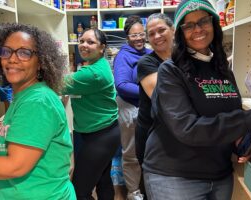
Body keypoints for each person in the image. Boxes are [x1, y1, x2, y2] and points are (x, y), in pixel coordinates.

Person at [142, 0, 251, 199]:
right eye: (188, 25)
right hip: (176, 177)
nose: (197, 29)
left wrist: (240, 142)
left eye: (203, 21)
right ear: (180, 32)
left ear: (214, 23)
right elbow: (188, 129)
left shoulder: (222, 69)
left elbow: (230, 113)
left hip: (220, 175)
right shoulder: (170, 71)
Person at [0, 23, 76, 199]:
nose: (12, 59)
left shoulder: (38, 102)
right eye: (6, 51)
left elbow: (15, 166)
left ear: (40, 62)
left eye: (24, 53)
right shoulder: (23, 97)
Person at [63, 28, 121, 200]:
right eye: (81, 41)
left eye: (90, 42)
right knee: (103, 180)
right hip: (98, 131)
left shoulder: (93, 73)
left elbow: (56, 83)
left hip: (99, 135)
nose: (84, 45)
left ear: (102, 47)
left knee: (79, 192)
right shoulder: (93, 65)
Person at [113, 15, 152, 200]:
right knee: (130, 153)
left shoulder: (148, 52)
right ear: (127, 37)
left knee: (148, 150)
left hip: (146, 109)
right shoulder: (124, 56)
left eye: (141, 34)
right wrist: (150, 91)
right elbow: (121, 85)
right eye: (134, 35)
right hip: (129, 109)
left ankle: (147, 187)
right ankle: (133, 192)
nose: (138, 38)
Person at [135, 13, 174, 165]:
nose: (156, 36)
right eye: (151, 34)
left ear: (173, 30)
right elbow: (166, 98)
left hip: (178, 133)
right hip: (152, 134)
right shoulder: (146, 62)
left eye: (161, 30)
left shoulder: (184, 58)